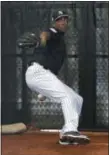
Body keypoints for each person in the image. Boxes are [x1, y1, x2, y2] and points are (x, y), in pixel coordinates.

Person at [25, 10, 90, 145]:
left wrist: (43, 92)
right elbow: (45, 34)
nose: (63, 22)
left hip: (43, 75)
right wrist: (42, 41)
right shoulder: (53, 32)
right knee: (66, 96)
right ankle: (70, 130)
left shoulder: (60, 39)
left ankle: (65, 136)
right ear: (55, 21)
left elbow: (51, 70)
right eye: (60, 19)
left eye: (65, 19)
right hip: (38, 72)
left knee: (77, 99)